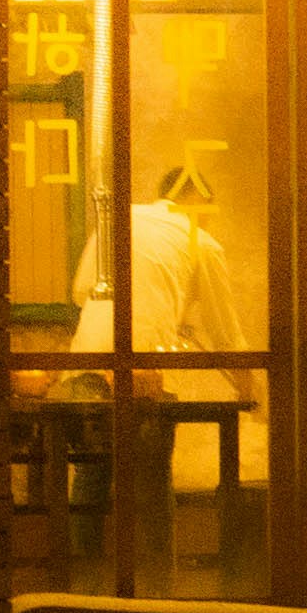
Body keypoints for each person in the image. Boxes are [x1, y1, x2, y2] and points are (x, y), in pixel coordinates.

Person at [68, 162, 265, 491]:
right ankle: (155, 545)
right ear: (198, 201)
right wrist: (251, 394)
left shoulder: (118, 220)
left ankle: (78, 545)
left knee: (91, 476)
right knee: (152, 482)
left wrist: (173, 314)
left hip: (86, 365)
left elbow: (81, 292)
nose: (209, 220)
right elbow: (226, 334)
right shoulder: (200, 241)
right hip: (147, 378)